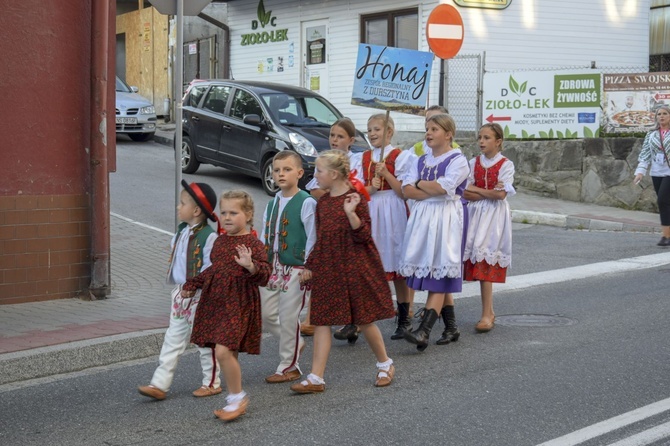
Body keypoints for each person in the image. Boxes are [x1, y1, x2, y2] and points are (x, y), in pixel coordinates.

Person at [290, 150, 396, 394]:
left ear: (334, 174)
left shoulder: (355, 198)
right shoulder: (323, 202)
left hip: (354, 266)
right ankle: (316, 377)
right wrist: (310, 265)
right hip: (329, 267)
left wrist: (351, 214)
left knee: (363, 318)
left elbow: (364, 235)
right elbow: (321, 238)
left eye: (319, 171)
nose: (315, 175)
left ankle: (385, 363)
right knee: (322, 321)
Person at [181, 190, 271, 422]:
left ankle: (237, 398)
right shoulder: (220, 241)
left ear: (248, 214)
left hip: (239, 304)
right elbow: (215, 269)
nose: (227, 217)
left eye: (234, 212)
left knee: (222, 351)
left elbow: (264, 275)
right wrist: (193, 283)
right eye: (223, 213)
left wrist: (250, 266)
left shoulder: (253, 244)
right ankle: (234, 398)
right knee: (227, 352)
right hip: (217, 303)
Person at [138, 181, 222, 401]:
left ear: (196, 211)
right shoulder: (182, 230)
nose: (178, 207)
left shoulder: (209, 237)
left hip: (200, 297)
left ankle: (212, 382)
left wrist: (196, 286)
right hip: (180, 295)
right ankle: (159, 384)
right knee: (172, 339)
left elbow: (211, 267)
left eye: (182, 203)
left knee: (204, 341)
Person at [399, 114, 469, 351]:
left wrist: (421, 184)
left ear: (448, 134)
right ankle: (451, 326)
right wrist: (426, 187)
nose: (428, 133)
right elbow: (407, 190)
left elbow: (444, 188)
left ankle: (424, 330)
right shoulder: (420, 160)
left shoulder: (458, 160)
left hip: (446, 217)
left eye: (434, 129)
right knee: (432, 267)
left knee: (440, 271)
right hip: (424, 217)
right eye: (427, 129)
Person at [259, 151, 316, 383]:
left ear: (299, 173)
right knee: (265, 312)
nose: (281, 174)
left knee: (289, 316)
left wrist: (309, 266)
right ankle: (296, 343)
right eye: (277, 170)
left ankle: (288, 366)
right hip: (274, 267)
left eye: (287, 169)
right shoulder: (272, 203)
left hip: (297, 268)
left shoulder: (307, 202)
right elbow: (266, 235)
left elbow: (313, 236)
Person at [303, 118, 362, 341]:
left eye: (339, 136)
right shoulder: (325, 160)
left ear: (350, 140)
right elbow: (313, 191)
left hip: (348, 219)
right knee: (327, 272)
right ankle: (317, 319)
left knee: (349, 275)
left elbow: (355, 190)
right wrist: (329, 196)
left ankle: (356, 321)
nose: (334, 140)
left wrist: (335, 197)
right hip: (329, 220)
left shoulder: (356, 161)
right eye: (332, 135)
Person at [356, 113, 413, 342]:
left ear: (389, 132)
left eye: (377, 129)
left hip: (393, 210)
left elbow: (403, 192)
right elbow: (357, 189)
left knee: (397, 266)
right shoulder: (363, 158)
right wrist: (371, 186)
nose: (372, 134)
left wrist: (387, 174)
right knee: (369, 264)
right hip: (371, 209)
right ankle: (362, 317)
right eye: (369, 130)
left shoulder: (400, 156)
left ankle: (404, 317)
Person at [462, 123, 515, 332]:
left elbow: (501, 195)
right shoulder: (473, 162)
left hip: (495, 216)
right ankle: (488, 311)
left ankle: (486, 314)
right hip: (475, 213)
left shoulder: (506, 164)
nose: (481, 142)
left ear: (498, 141)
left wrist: (476, 189)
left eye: (486, 138)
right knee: (473, 258)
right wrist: (488, 191)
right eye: (480, 138)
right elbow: (464, 192)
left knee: (485, 259)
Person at [634, 105, 670, 247]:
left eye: (665, 113)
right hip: (656, 172)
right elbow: (645, 154)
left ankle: (665, 236)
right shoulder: (651, 135)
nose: (661, 116)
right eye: (659, 114)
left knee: (662, 200)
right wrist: (640, 172)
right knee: (665, 204)